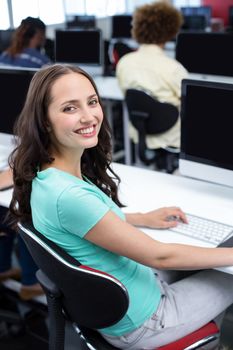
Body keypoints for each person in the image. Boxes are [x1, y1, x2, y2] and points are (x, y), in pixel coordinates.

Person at [8, 63, 233, 349]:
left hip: (127, 295)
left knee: (215, 256)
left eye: (92, 102)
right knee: (229, 275)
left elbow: (87, 223)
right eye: (70, 108)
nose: (89, 116)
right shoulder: (69, 196)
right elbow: (160, 257)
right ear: (44, 120)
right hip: (144, 322)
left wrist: (142, 218)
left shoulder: (47, 175)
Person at [116, 1, 188, 151]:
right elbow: (191, 104)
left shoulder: (124, 62)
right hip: (171, 138)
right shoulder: (173, 68)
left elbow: (127, 94)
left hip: (139, 133)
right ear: (170, 30)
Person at [0, 168, 43, 300]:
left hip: (7, 178)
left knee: (6, 226)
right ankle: (31, 283)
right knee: (26, 223)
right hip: (8, 180)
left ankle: (3, 269)